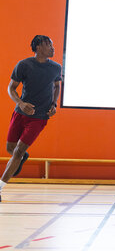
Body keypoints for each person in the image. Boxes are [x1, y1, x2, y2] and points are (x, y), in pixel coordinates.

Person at [0, 35, 62, 202]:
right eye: (49, 44)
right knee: (10, 149)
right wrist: (20, 103)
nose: (53, 47)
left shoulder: (56, 68)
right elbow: (11, 88)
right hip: (20, 113)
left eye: (52, 44)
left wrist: (54, 104)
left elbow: (57, 86)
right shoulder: (24, 65)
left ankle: (0, 188)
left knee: (18, 151)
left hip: (39, 116)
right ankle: (21, 156)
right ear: (38, 47)